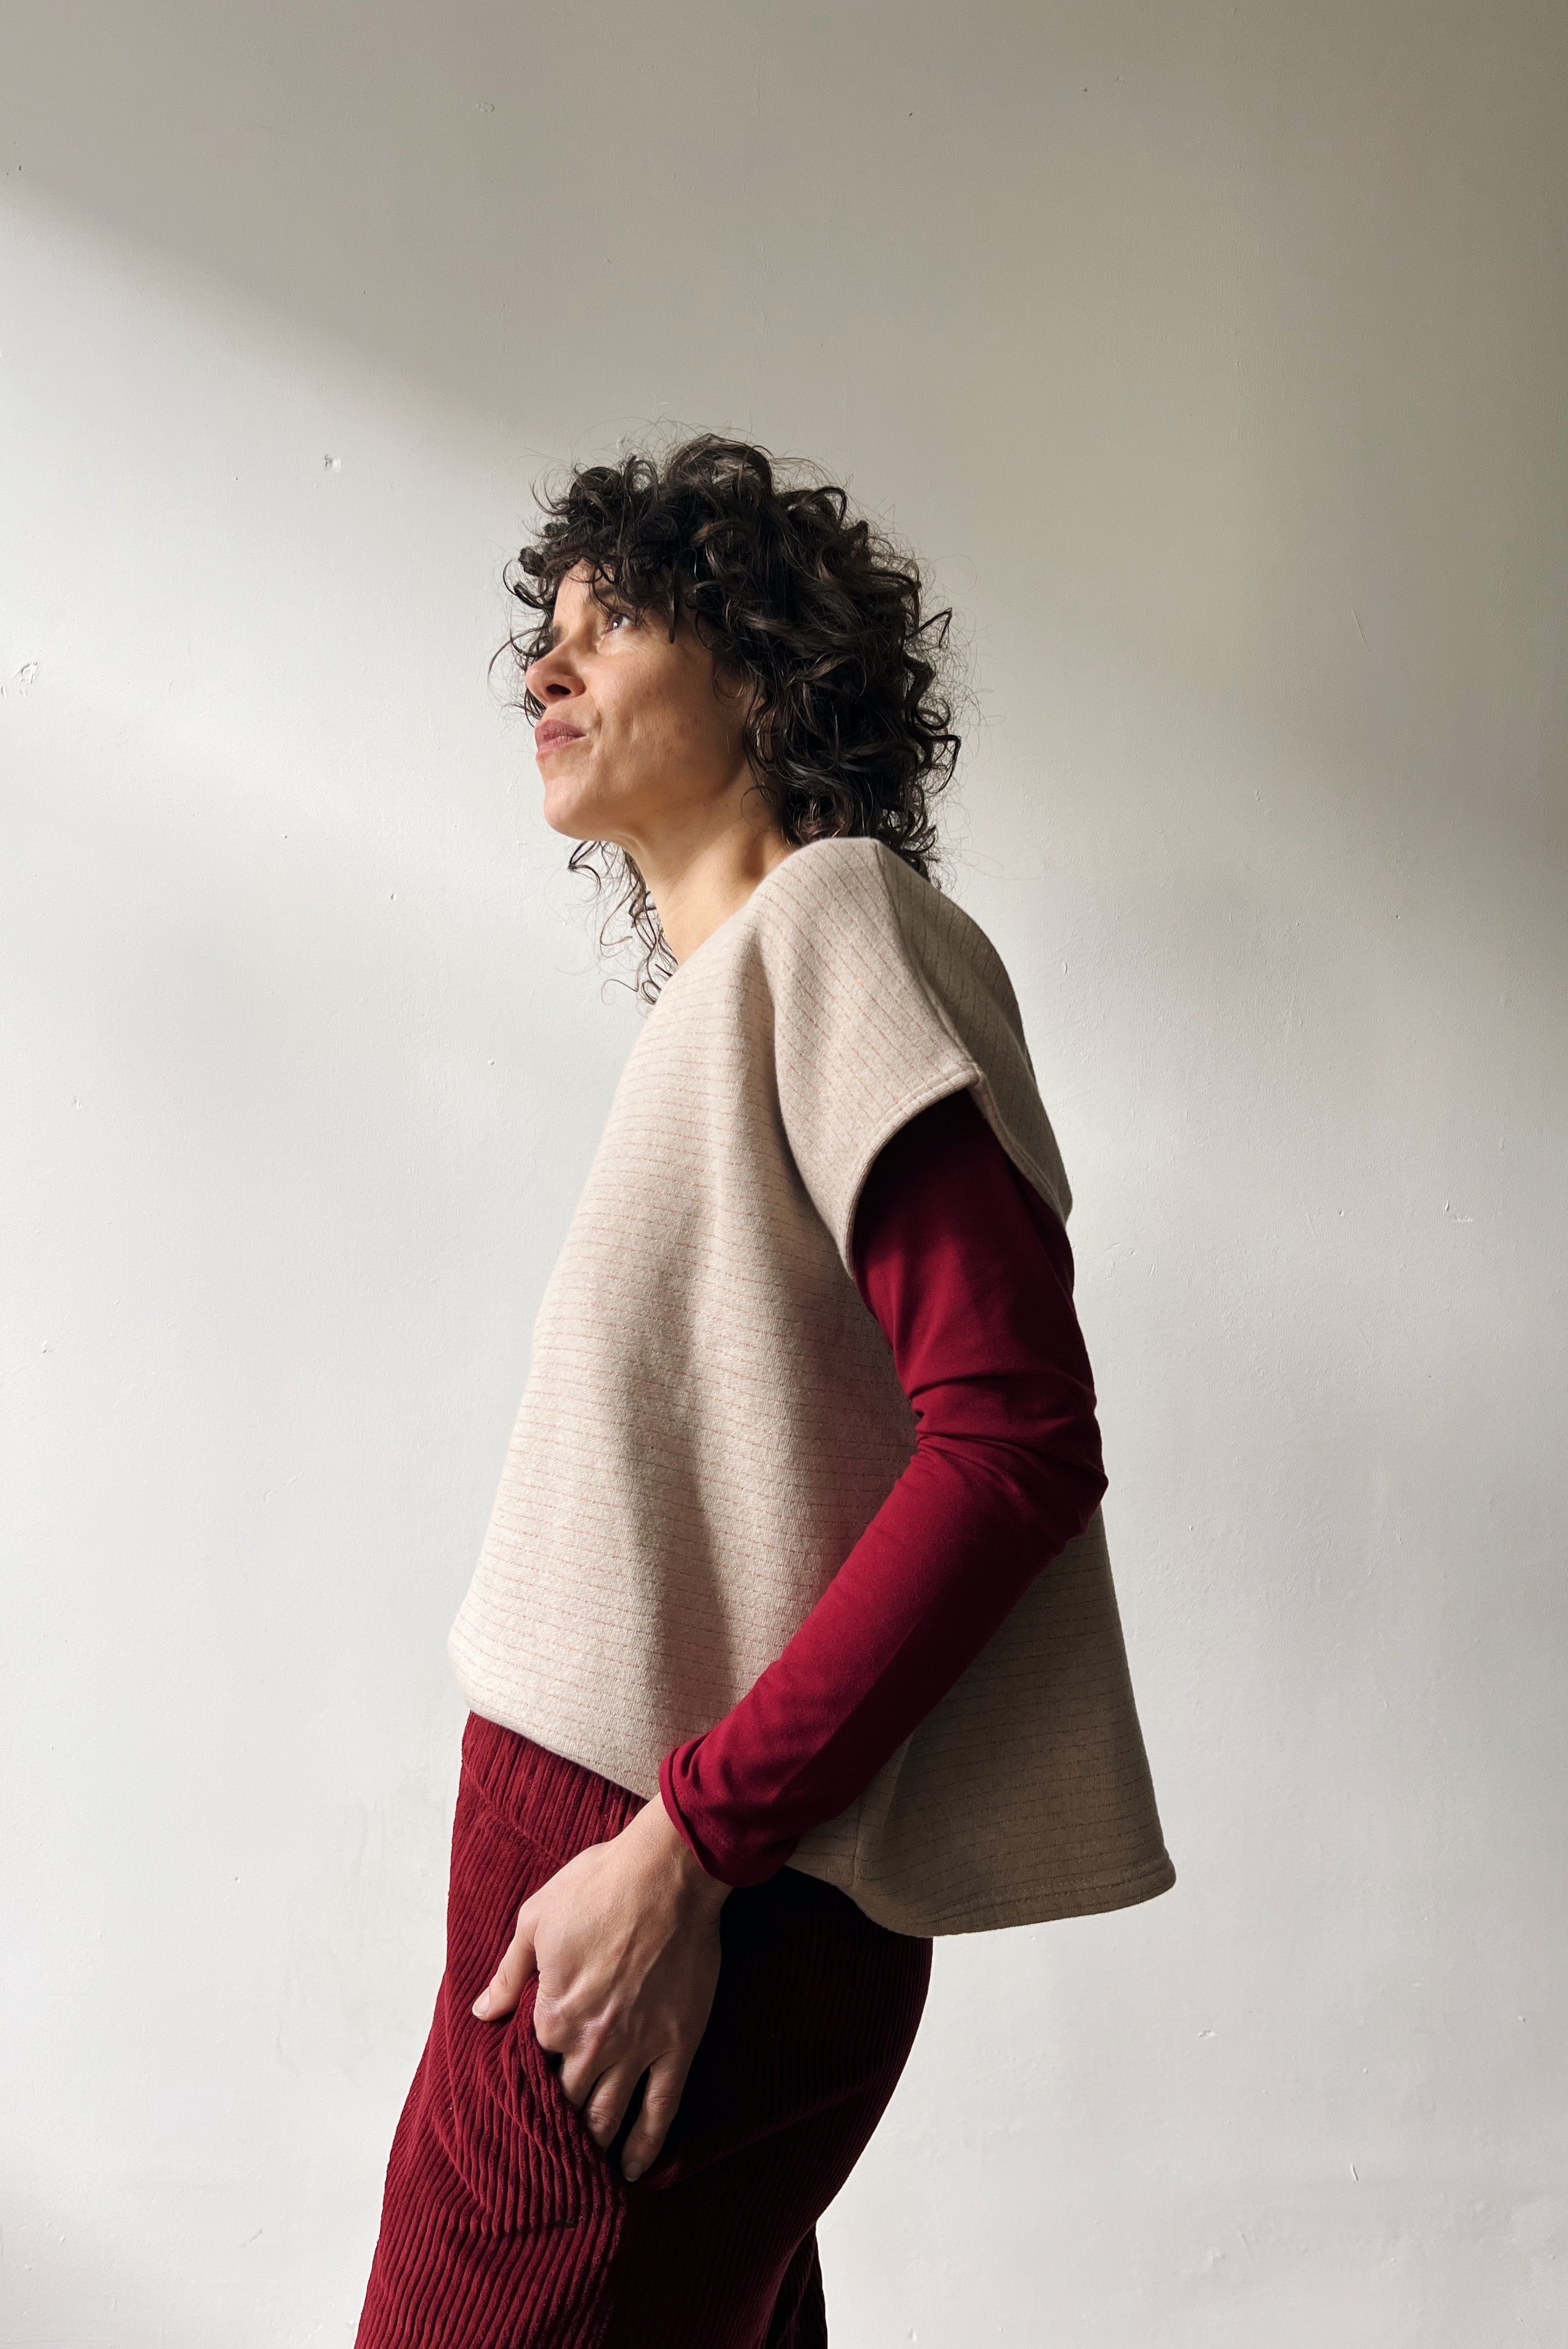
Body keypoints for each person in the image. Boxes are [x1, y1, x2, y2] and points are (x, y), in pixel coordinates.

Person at [354, 436, 1173, 2349]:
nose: (547, 667)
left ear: (761, 670)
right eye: (544, 633)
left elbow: (1015, 1443)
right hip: (635, 1880)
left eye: (615, 621)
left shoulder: (837, 924)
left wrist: (686, 1854)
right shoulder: (738, 996)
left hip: (668, 1889)